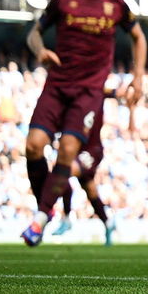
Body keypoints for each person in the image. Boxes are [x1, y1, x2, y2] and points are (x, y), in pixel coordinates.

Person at [21, 0, 146, 246]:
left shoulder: (116, 4)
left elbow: (138, 37)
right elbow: (33, 33)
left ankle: (39, 219)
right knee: (33, 146)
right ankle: (46, 208)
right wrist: (41, 51)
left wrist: (138, 78)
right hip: (57, 84)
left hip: (89, 91)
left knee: (67, 151)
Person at [50, 87, 120, 245]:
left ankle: (67, 218)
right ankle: (108, 223)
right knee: (90, 190)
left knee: (63, 172)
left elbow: (116, 91)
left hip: (91, 150)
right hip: (76, 149)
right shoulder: (71, 96)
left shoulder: (96, 90)